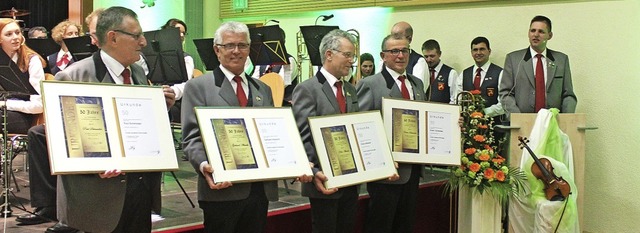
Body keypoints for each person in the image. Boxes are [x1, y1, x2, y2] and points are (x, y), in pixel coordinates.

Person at [26, 7, 176, 233]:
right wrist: (92, 165)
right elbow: (61, 141)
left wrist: (159, 108)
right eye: (137, 35)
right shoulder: (73, 77)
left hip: (140, 193)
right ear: (112, 38)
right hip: (98, 200)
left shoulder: (136, 73)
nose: (144, 42)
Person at [181, 21, 311, 233]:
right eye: (229, 45)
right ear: (217, 50)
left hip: (259, 190)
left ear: (249, 49)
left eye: (242, 46)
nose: (236, 51)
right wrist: (204, 165)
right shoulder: (199, 87)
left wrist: (297, 162)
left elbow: (274, 135)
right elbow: (191, 138)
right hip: (222, 189)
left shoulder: (263, 89)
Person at [16, 9, 103, 231]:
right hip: (70, 109)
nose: (88, 39)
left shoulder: (100, 56)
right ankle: (47, 205)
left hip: (95, 116)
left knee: (73, 135)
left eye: (91, 34)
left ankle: (75, 213)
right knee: (39, 133)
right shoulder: (55, 59)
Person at [292, 29, 360, 233]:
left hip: (351, 177)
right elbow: (302, 136)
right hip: (324, 180)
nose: (351, 61)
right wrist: (314, 172)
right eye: (347, 55)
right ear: (329, 54)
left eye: (353, 56)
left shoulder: (350, 89)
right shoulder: (308, 89)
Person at [356, 33, 423, 233]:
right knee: (381, 225)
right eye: (394, 51)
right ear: (383, 56)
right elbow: (363, 127)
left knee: (405, 224)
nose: (400, 55)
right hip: (386, 172)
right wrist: (381, 159)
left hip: (413, 169)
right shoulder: (370, 84)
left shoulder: (416, 83)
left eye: (405, 50)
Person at [500, 15, 577, 117]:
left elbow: (568, 95)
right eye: (533, 31)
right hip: (523, 124)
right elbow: (505, 94)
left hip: (553, 123)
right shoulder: (513, 59)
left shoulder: (561, 60)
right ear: (528, 33)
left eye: (541, 31)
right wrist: (518, 118)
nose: (536, 35)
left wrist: (566, 120)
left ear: (549, 35)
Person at [0, 19, 45, 134]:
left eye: (17, 32)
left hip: (24, 117)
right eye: (9, 34)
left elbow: (39, 105)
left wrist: (5, 104)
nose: (15, 37)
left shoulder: (32, 60)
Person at [455, 37, 505, 120]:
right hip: (467, 126)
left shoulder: (500, 73)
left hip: (493, 127)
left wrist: (483, 112)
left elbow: (504, 104)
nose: (478, 53)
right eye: (475, 50)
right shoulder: (464, 74)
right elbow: (458, 101)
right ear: (471, 53)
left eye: (482, 49)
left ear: (489, 51)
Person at [250, 27, 298, 106]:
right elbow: (255, 80)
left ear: (282, 42)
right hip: (263, 101)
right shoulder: (262, 61)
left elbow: (281, 83)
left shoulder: (289, 61)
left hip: (283, 103)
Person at [160, 18, 195, 123]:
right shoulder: (153, 55)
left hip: (176, 101)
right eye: (178, 32)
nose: (182, 35)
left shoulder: (187, 58)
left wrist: (170, 93)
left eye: (183, 33)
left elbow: (186, 84)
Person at [390, 22, 427, 87]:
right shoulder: (386, 59)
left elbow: (418, 92)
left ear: (409, 39)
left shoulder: (418, 61)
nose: (393, 41)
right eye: (392, 37)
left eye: (398, 37)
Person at [421, 39, 458, 104]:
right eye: (426, 56)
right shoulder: (421, 72)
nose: (429, 59)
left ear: (439, 54)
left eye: (432, 56)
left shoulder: (451, 73)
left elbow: (454, 99)